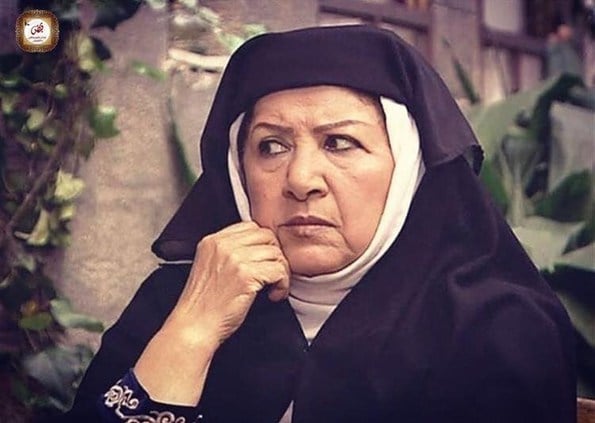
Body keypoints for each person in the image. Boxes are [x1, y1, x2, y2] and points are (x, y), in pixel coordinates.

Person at [64, 25, 576, 422]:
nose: (301, 179)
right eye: (271, 146)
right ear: (239, 172)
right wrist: (192, 331)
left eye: (339, 143)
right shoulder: (179, 301)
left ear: (408, 169)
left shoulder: (495, 327)